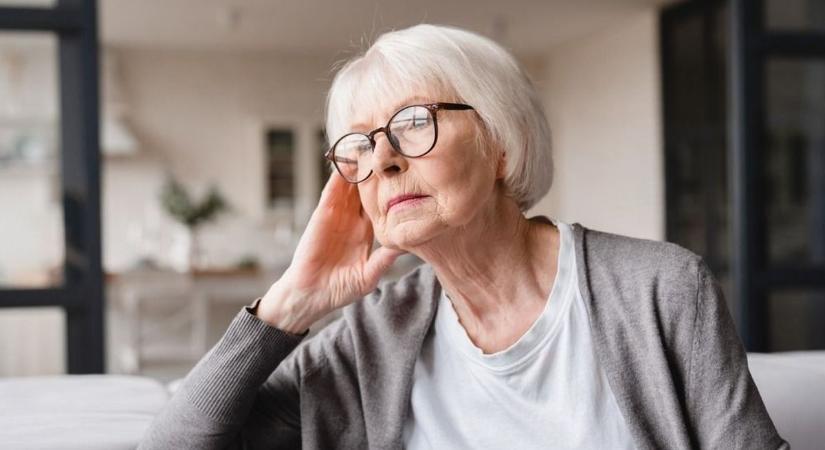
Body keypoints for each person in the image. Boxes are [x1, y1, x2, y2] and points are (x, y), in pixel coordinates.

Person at [140, 24, 787, 449]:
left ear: (501, 145)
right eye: (361, 144)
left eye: (413, 123)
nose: (385, 158)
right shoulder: (371, 335)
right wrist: (289, 305)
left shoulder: (660, 289)